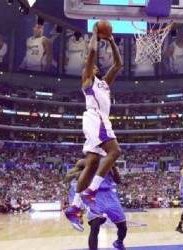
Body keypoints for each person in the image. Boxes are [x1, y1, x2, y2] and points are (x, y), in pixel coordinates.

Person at [65, 23, 122, 220]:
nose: (94, 66)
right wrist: (95, 35)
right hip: (95, 117)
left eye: (97, 66)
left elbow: (118, 65)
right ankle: (91, 191)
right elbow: (90, 54)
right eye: (91, 66)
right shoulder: (88, 81)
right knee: (115, 152)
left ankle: (74, 207)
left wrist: (112, 41)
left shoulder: (104, 83)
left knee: (91, 164)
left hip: (98, 120)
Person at [64, 159, 127, 250]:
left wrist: (112, 167)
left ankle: (119, 242)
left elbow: (118, 181)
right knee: (95, 225)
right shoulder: (84, 162)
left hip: (109, 195)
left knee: (123, 226)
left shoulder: (107, 163)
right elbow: (67, 178)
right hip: (93, 195)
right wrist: (76, 174)